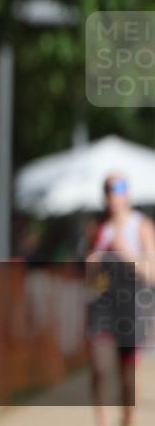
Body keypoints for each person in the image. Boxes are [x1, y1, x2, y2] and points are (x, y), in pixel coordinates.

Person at [86, 174, 155, 426]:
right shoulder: (98, 228)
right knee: (100, 367)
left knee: (127, 373)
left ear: (128, 193)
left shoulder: (141, 225)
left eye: (119, 188)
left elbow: (151, 272)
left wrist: (125, 252)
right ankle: (102, 421)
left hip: (130, 306)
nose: (113, 194)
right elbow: (91, 275)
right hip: (103, 305)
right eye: (109, 189)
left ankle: (128, 418)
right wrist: (93, 265)